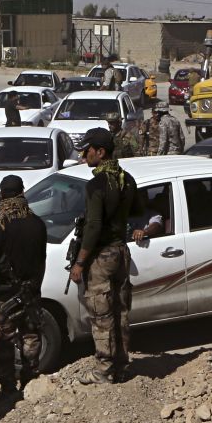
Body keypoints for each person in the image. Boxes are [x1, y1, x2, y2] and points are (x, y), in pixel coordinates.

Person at [69, 128, 146, 384]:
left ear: (100, 152)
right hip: (121, 252)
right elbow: (138, 210)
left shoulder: (97, 184)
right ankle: (121, 365)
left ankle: (103, 370)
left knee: (101, 316)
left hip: (101, 257)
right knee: (121, 312)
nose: (83, 154)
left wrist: (80, 262)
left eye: (87, 149)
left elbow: (92, 226)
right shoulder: (128, 179)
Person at [0, 175, 47, 398]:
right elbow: (42, 260)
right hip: (30, 292)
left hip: (5, 294)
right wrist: (36, 286)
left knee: (1, 339)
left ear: (1, 195)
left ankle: (7, 388)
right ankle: (29, 380)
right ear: (22, 192)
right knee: (31, 336)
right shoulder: (37, 222)